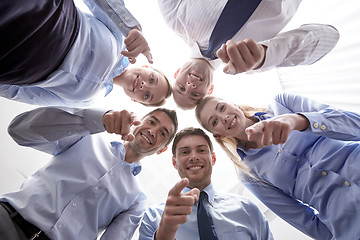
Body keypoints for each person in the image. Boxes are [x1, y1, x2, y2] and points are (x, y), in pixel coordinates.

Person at [195, 92, 360, 239]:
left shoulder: (282, 104)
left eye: (222, 107)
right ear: (218, 134)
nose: (223, 117)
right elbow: (303, 220)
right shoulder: (248, 174)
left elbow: (355, 125)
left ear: (234, 104)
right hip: (348, 222)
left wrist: (299, 121)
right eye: (214, 121)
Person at [0, 106, 178, 239]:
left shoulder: (137, 199)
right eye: (152, 121)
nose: (153, 131)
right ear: (139, 121)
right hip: (8, 219)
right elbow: (19, 131)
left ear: (162, 150)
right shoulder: (87, 136)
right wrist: (97, 120)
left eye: (163, 133)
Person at [158, 0, 340, 109]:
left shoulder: (174, 19)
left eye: (181, 87)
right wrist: (266, 55)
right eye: (195, 95)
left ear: (176, 74)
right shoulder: (255, 62)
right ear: (210, 90)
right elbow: (329, 37)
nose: (190, 86)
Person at [0, 0, 171, 107]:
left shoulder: (86, 102)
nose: (144, 86)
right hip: (46, 14)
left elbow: (27, 95)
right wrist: (130, 27)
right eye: (152, 79)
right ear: (148, 67)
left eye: (147, 95)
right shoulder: (119, 37)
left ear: (136, 100)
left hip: (13, 62)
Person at [139, 127, 273, 240]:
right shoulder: (153, 217)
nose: (194, 157)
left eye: (201, 150)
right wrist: (164, 233)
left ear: (213, 158)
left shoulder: (247, 209)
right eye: (185, 152)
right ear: (175, 163)